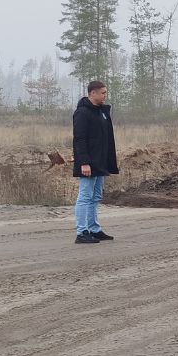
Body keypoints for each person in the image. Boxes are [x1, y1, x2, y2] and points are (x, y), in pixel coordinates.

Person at [71, 80, 119, 244]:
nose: (105, 95)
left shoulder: (102, 112)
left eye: (105, 92)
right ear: (93, 93)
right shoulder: (82, 113)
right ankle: (82, 232)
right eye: (103, 92)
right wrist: (84, 162)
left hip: (100, 162)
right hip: (88, 163)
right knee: (85, 196)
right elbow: (80, 139)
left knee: (96, 196)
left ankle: (94, 229)